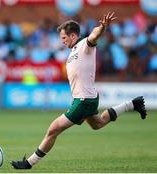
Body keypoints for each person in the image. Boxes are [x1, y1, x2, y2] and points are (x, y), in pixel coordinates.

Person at [11, 12, 147, 169]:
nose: (62, 41)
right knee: (98, 124)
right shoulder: (73, 51)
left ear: (73, 35)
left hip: (83, 101)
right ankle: (132, 104)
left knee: (53, 129)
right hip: (86, 98)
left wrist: (102, 27)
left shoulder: (84, 45)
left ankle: (29, 163)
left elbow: (94, 36)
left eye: (64, 38)